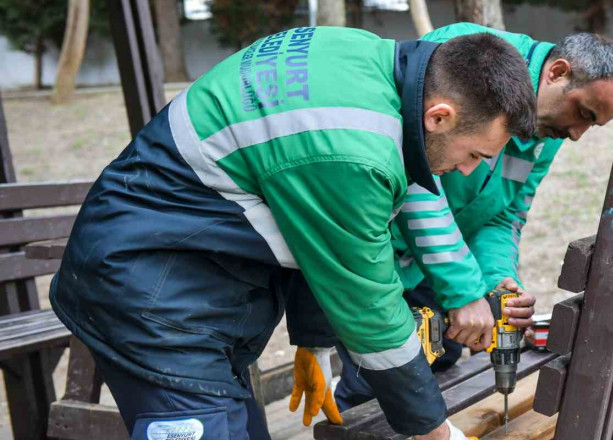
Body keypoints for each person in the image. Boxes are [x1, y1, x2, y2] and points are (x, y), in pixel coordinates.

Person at [49, 26, 537, 440]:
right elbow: (370, 309)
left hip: (191, 278)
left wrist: (314, 341)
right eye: (474, 154)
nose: (468, 172)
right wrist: (434, 431)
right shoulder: (358, 151)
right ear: (439, 116)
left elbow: (313, 231)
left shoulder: (366, 61)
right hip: (149, 295)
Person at [289, 23, 613, 416]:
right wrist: (465, 291)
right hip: (375, 251)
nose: (576, 134)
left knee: (443, 355)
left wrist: (497, 278)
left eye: (592, 125)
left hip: (432, 267)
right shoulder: (469, 58)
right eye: (583, 113)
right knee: (375, 385)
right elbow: (418, 176)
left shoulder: (543, 128)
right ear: (557, 72)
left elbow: (503, 215)